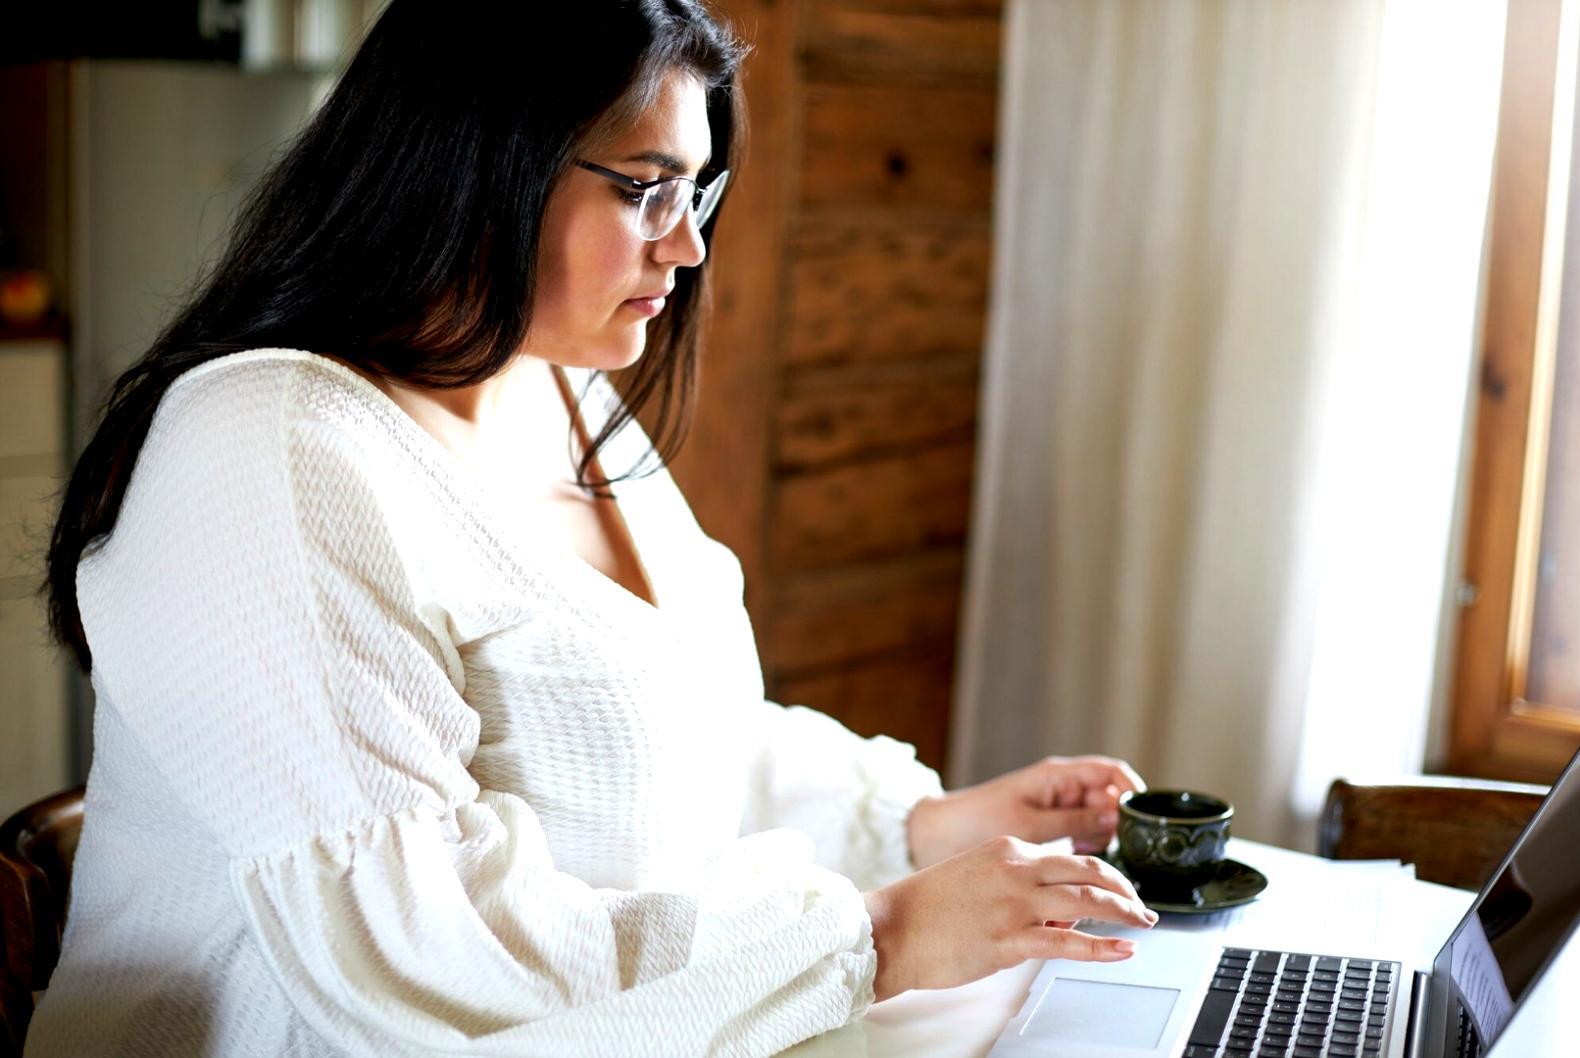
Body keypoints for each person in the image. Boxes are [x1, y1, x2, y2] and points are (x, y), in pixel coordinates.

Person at [31, 2, 1156, 1055]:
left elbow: (676, 730)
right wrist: (883, 932)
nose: (687, 248)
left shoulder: (554, 383)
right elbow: (415, 954)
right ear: (474, 158)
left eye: (696, 193)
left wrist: (915, 823)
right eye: (644, 188)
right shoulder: (272, 448)